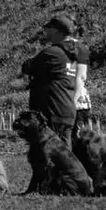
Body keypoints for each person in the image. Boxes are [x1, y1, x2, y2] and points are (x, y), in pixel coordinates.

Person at [21, 14, 80, 145]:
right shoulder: (72, 54)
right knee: (65, 158)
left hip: (52, 112)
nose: (45, 31)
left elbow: (28, 66)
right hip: (66, 111)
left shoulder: (52, 53)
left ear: (56, 31)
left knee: (50, 158)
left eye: (48, 28)